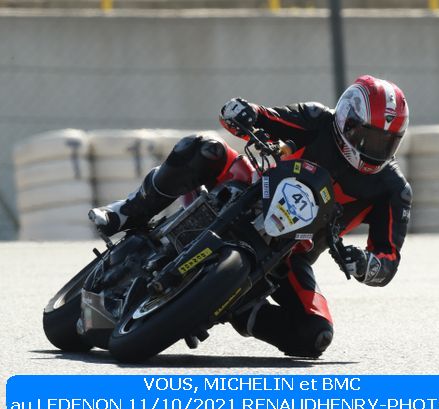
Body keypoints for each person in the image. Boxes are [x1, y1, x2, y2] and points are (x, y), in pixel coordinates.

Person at [89, 75, 412, 358]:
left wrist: (366, 265)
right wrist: (241, 112)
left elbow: (387, 260)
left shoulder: (392, 189)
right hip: (254, 189)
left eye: (386, 142)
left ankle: (244, 310)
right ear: (347, 121)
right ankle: (128, 212)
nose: (374, 149)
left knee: (315, 334)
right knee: (203, 148)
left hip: (290, 252)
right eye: (369, 137)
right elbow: (262, 117)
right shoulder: (317, 120)